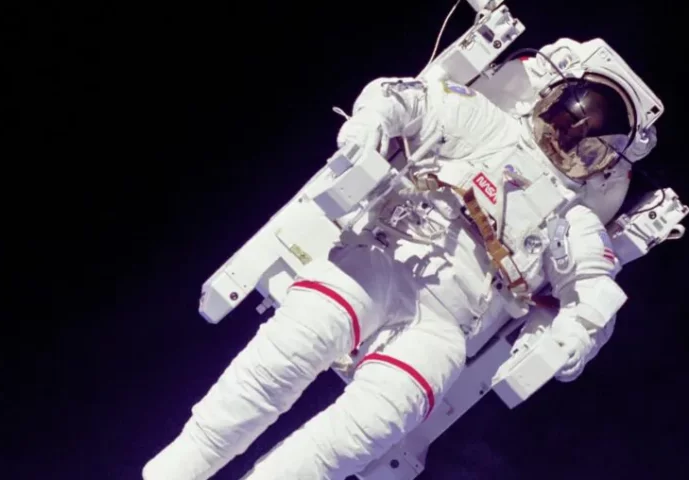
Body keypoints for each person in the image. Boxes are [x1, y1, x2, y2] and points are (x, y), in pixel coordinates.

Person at [143, 68, 656, 479]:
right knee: (281, 360)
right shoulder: (487, 124)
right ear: (548, 101)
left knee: (361, 433)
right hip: (387, 256)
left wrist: (576, 337)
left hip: (445, 329)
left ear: (605, 166)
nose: (566, 139)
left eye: (586, 146)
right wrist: (367, 128)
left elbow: (595, 293)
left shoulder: (577, 220)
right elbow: (403, 99)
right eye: (564, 119)